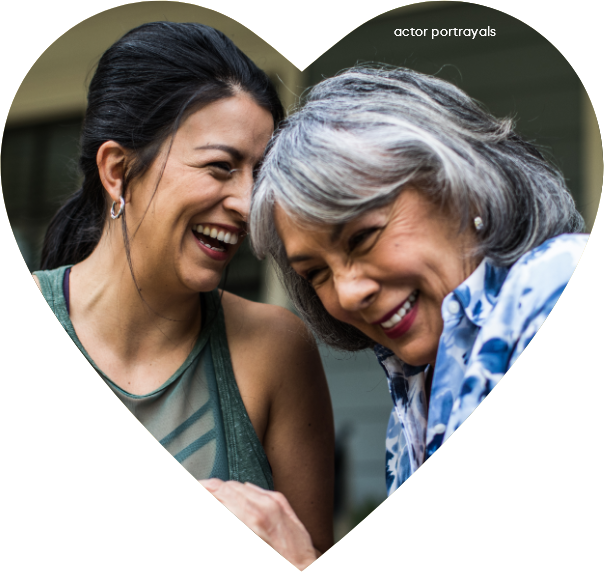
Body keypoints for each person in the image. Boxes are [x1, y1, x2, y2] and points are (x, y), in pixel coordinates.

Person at [204, 65, 587, 566]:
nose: (348, 292)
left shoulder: (551, 290)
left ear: (461, 184)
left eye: (363, 237)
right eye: (316, 272)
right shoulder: (415, 389)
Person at [31, 22, 334, 555]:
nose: (247, 204)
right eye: (221, 167)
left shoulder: (276, 350)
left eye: (259, 176)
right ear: (118, 170)